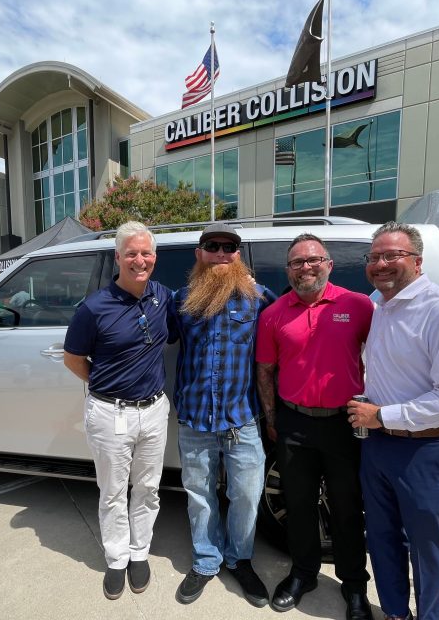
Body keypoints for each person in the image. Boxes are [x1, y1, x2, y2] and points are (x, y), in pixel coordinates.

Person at [347, 221, 439, 620]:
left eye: (393, 255)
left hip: (426, 449)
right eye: (374, 257)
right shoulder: (380, 303)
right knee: (383, 539)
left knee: (427, 548)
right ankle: (394, 613)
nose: (381, 264)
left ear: (418, 261)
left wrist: (383, 415)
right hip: (378, 445)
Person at [256, 234, 374, 618]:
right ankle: (303, 573)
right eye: (296, 262)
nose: (305, 268)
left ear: (329, 264)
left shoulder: (358, 306)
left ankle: (354, 584)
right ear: (287, 269)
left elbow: (385, 358)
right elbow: (266, 371)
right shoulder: (274, 314)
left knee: (346, 506)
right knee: (299, 504)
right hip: (293, 423)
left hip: (345, 423)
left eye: (313, 260)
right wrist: (273, 422)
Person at [63, 221, 173, 601]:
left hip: (155, 409)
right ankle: (116, 558)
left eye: (145, 253)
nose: (139, 260)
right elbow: (72, 357)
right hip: (111, 413)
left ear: (154, 258)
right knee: (111, 492)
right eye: (131, 253)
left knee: (148, 488)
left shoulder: (163, 296)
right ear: (118, 258)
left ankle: (139, 553)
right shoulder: (94, 307)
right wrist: (102, 386)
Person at [170, 223, 276, 606]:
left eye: (228, 247)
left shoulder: (260, 298)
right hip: (195, 420)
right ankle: (206, 560)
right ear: (199, 254)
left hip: (242, 419)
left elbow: (289, 336)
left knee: (246, 494)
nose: (220, 252)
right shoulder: (182, 300)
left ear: (238, 256)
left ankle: (239, 559)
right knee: (199, 496)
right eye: (212, 246)